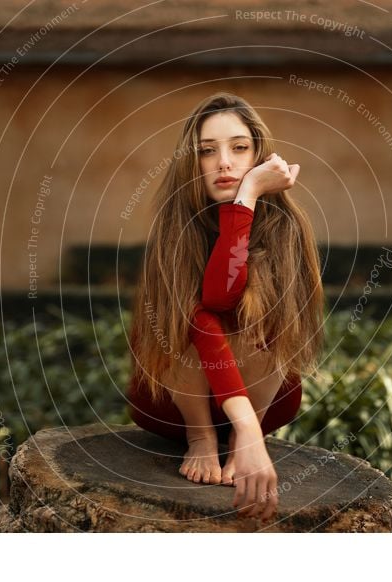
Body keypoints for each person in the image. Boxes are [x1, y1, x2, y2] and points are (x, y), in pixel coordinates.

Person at [126, 92, 324, 522]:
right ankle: (203, 437)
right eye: (206, 151)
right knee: (185, 315)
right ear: (190, 163)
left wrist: (247, 198)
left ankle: (239, 438)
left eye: (239, 148)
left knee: (268, 314)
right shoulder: (173, 225)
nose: (224, 162)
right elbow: (208, 308)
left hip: (264, 394)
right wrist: (246, 196)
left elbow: (241, 306)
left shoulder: (287, 227)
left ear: (259, 154)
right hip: (174, 400)